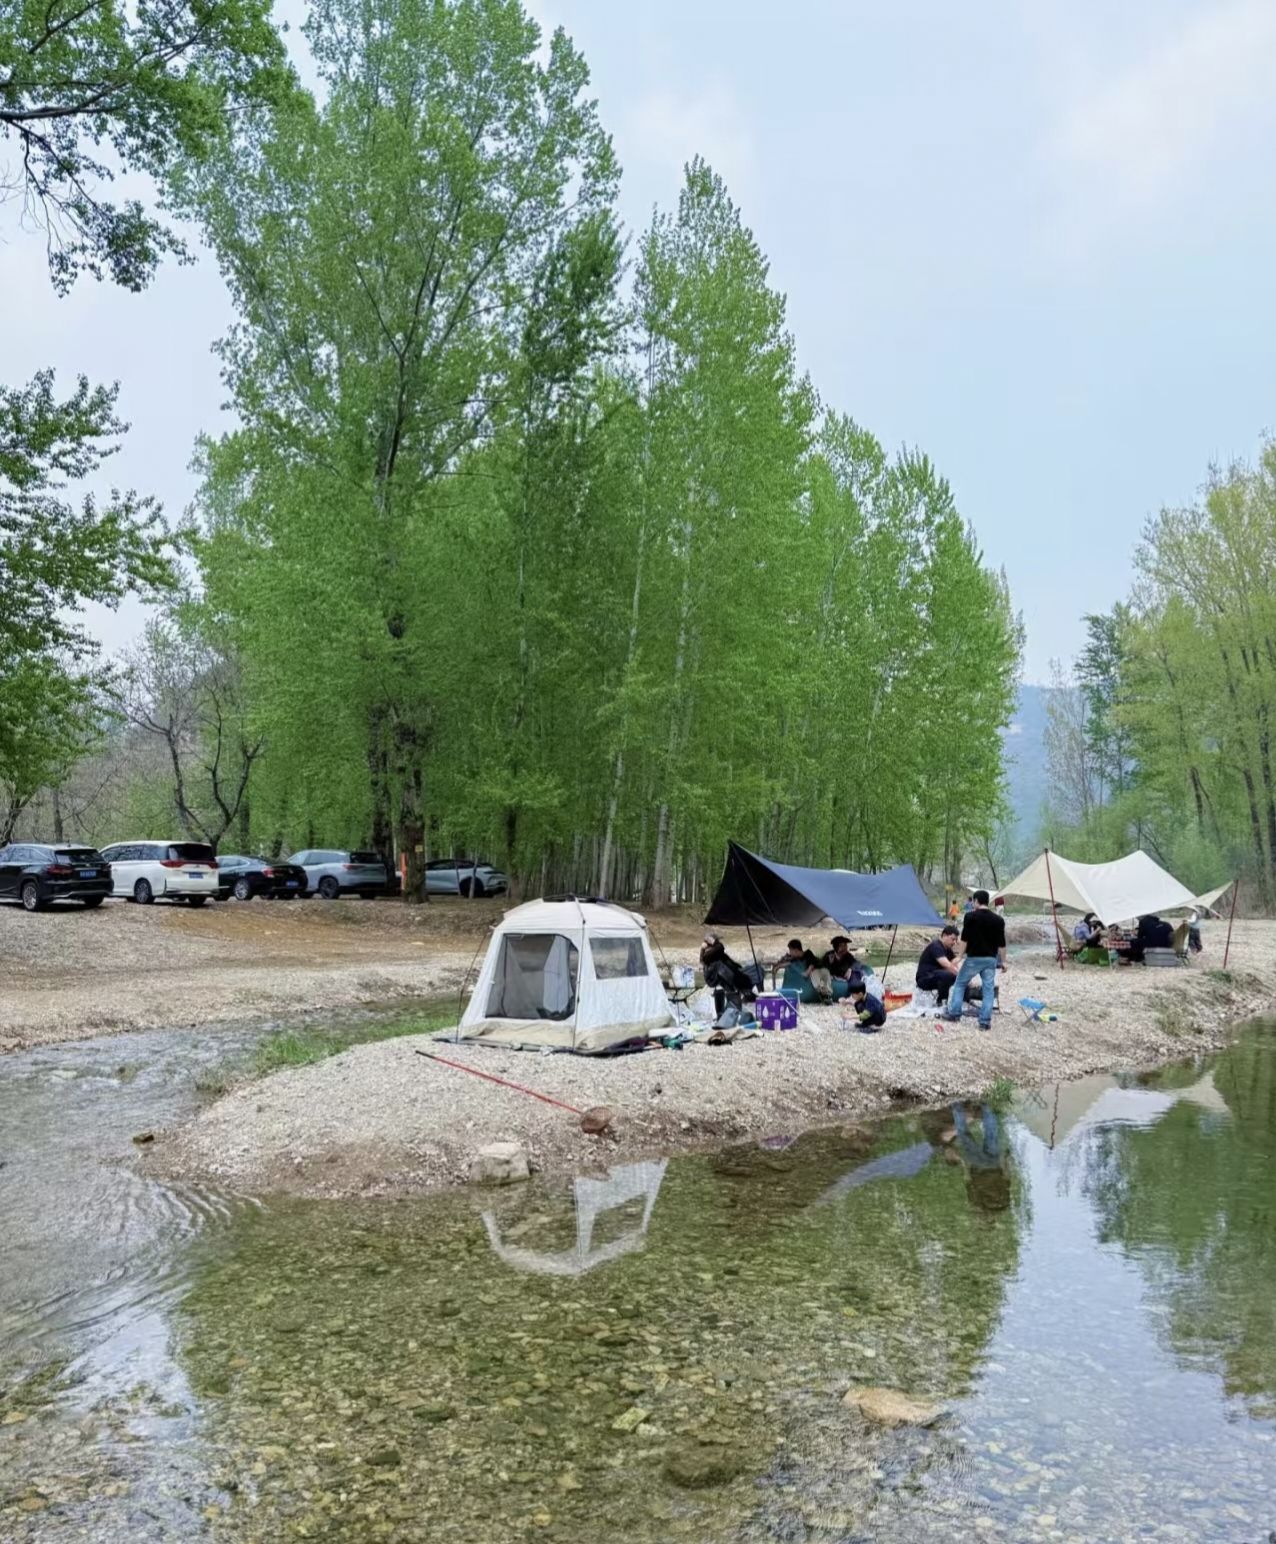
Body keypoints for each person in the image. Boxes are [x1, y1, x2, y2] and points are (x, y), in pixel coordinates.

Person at [944, 889, 1006, 1031]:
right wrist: (1004, 962)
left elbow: (965, 938)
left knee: (960, 984)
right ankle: (984, 1022)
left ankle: (954, 1014)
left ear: (976, 901)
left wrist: (959, 956)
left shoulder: (970, 917)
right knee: (988, 990)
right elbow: (1002, 943)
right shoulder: (998, 920)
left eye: (973, 902)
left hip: (973, 959)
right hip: (990, 959)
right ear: (987, 901)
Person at [700, 934, 756, 1020]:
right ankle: (729, 1012)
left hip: (729, 976)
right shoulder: (709, 954)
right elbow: (720, 947)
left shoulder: (715, 953)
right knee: (736, 986)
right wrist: (707, 945)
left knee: (752, 972)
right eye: (716, 942)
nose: (718, 943)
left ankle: (738, 1003)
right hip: (723, 978)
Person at [916, 925, 960, 1004]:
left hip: (936, 976)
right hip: (925, 978)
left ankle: (963, 1001)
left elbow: (954, 964)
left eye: (956, 940)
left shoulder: (948, 950)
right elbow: (946, 965)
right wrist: (961, 976)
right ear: (944, 935)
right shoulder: (936, 946)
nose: (954, 942)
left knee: (954, 976)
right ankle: (941, 1002)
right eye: (953, 939)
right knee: (948, 975)